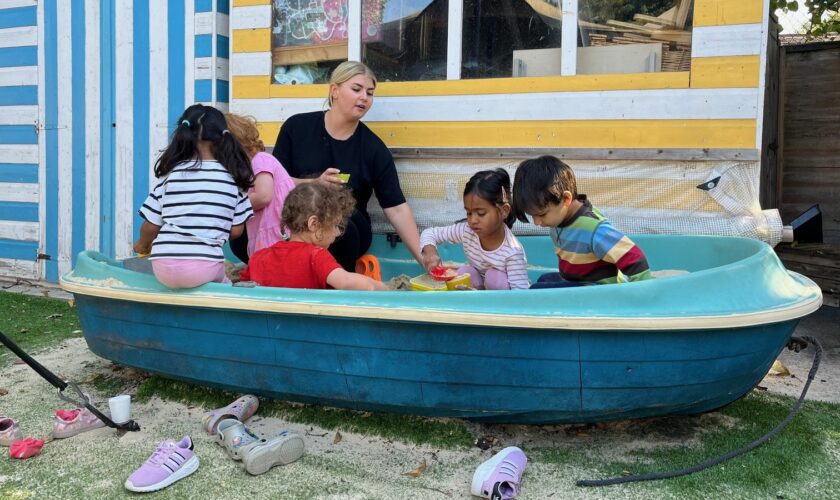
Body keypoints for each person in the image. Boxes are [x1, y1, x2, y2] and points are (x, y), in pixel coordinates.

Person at [272, 61, 422, 271]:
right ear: (334, 90)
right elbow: (273, 182)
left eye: (370, 93)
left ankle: (334, 288)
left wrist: (423, 258)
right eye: (356, 89)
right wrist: (313, 183)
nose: (364, 97)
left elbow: (396, 207)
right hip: (296, 220)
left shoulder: (374, 148)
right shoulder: (296, 127)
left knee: (340, 226)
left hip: (346, 228)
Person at [133, 104, 254, 289]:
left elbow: (151, 225)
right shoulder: (233, 179)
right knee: (227, 286)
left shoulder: (171, 176)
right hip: (205, 266)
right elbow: (236, 231)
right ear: (224, 137)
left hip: (162, 266)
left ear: (182, 136)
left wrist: (141, 245)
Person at [511, 155, 652, 288]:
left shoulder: (593, 229)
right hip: (575, 280)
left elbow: (634, 257)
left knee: (537, 290)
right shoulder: (559, 217)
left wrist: (642, 293)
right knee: (543, 280)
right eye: (532, 216)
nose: (537, 222)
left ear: (566, 199)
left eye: (541, 215)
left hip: (595, 289)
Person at [240, 183, 389, 291]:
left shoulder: (259, 258)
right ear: (314, 224)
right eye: (336, 225)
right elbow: (346, 282)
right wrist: (381, 289)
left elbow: (242, 287)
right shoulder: (316, 257)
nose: (338, 233)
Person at [419, 169, 530, 290]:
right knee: (464, 272)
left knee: (494, 278)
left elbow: (520, 295)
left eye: (481, 213)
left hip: (502, 299)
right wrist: (430, 252)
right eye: (469, 213)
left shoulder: (513, 252)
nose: (473, 220)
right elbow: (429, 233)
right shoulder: (467, 230)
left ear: (504, 211)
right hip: (479, 288)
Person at [225, 113, 295, 263]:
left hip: (278, 231)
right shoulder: (250, 167)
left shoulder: (261, 159)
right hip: (267, 231)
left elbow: (263, 196)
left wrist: (230, 205)